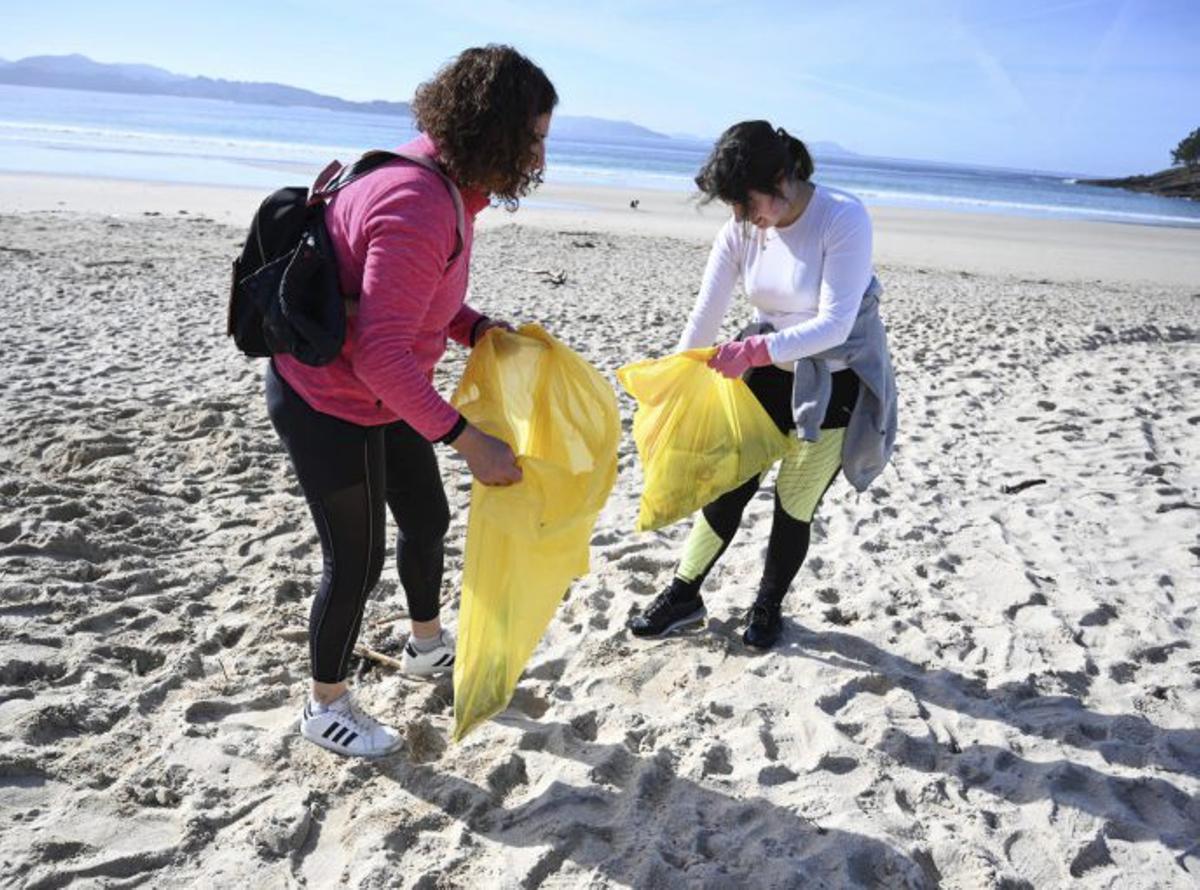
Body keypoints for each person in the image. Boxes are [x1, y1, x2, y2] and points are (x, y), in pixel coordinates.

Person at [265, 45, 557, 757]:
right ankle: (324, 705)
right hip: (328, 398)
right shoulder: (420, 201)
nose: (541, 155)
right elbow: (381, 352)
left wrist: (474, 326)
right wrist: (468, 439)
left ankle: (425, 646)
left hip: (379, 395)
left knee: (426, 519)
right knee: (355, 563)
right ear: (497, 133)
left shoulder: (444, 180)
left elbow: (396, 297)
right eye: (536, 137)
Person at [627, 120, 896, 650]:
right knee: (728, 485)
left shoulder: (842, 217)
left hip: (834, 385)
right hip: (768, 374)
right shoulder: (741, 229)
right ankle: (684, 593)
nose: (745, 218)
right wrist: (677, 377)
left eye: (748, 202)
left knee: (793, 503)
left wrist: (751, 349)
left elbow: (836, 324)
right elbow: (705, 316)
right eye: (733, 207)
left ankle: (768, 605)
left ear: (781, 178)